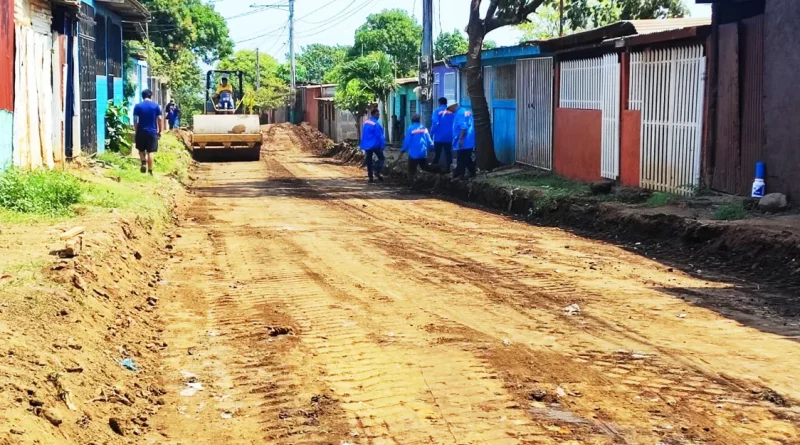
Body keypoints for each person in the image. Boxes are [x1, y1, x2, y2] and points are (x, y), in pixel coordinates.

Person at [132, 89, 163, 175]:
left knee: (141, 149)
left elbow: (135, 119)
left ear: (142, 96)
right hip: (152, 132)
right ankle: (150, 171)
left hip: (141, 131)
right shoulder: (156, 106)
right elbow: (160, 119)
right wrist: (160, 131)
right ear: (151, 96)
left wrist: (136, 129)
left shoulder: (137, 106)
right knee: (150, 152)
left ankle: (143, 162)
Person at [401, 114, 434, 181]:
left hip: (413, 154)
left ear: (412, 120)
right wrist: (432, 148)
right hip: (423, 153)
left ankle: (411, 184)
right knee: (425, 168)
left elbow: (407, 141)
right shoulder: (424, 128)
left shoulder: (410, 128)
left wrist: (403, 149)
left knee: (411, 170)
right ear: (419, 120)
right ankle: (432, 178)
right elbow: (429, 140)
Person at [450, 103, 476, 179]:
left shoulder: (460, 113)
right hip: (468, 140)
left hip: (464, 140)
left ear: (453, 106)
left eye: (449, 108)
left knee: (461, 159)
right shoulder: (464, 111)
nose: (449, 111)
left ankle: (459, 175)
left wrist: (460, 139)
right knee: (466, 158)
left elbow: (463, 127)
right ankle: (472, 172)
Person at [360, 108, 386, 183]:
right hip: (375, 145)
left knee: (369, 161)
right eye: (378, 114)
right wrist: (382, 146)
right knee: (381, 158)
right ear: (373, 114)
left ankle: (370, 177)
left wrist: (363, 144)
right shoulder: (376, 124)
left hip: (367, 146)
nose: (378, 116)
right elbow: (380, 136)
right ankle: (377, 170)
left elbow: (364, 135)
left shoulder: (366, 123)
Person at [431, 97, 454, 173]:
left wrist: (431, 133)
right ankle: (448, 169)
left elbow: (435, 123)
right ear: (446, 103)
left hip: (439, 137)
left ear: (439, 103)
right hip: (449, 136)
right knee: (448, 153)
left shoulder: (437, 111)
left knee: (437, 154)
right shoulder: (451, 111)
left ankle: (434, 169)